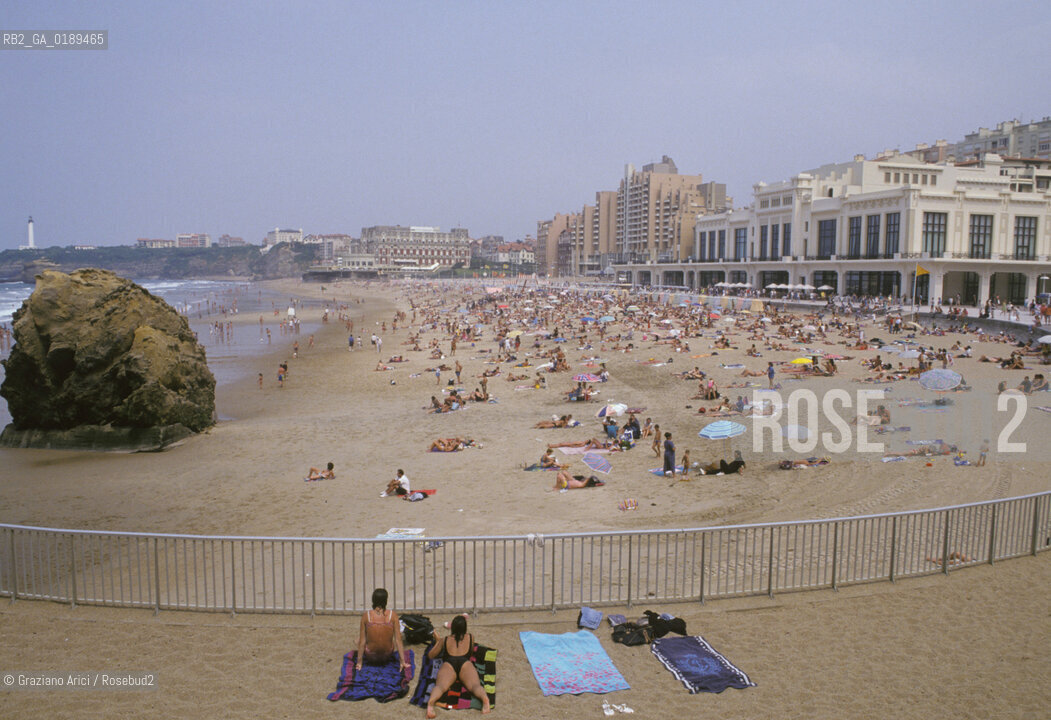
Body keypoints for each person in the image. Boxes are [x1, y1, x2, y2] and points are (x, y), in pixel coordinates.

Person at [425, 615, 490, 718]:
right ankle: (485, 700)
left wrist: (438, 642)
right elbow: (471, 652)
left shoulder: (445, 640)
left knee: (441, 687)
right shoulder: (470, 637)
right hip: (465, 663)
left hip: (449, 664)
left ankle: (430, 704)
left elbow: (431, 655)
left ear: (453, 627)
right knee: (475, 686)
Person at [356, 588, 408, 671]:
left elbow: (362, 642)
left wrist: (359, 662)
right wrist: (402, 661)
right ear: (386, 600)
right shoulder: (393, 615)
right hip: (386, 656)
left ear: (373, 600)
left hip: (371, 656)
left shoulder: (366, 616)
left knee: (358, 640)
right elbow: (398, 640)